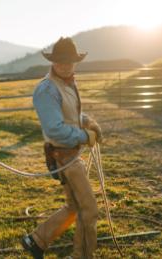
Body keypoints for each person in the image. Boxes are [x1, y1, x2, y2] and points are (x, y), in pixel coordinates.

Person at [21, 37, 102, 259]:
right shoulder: (47, 89)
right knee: (89, 210)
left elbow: (69, 115)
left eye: (69, 61)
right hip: (65, 157)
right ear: (53, 61)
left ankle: (36, 240)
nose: (65, 65)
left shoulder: (67, 83)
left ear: (76, 62)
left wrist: (87, 121)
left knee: (75, 206)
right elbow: (55, 129)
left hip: (70, 154)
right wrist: (85, 135)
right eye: (60, 61)